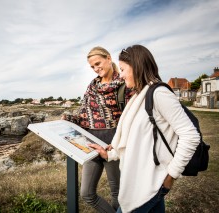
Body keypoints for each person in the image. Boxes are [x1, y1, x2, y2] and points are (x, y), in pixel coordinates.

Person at [88, 45, 200, 213]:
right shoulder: (140, 95)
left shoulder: (159, 94)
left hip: (150, 184)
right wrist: (109, 154)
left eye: (124, 69)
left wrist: (171, 176)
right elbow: (136, 140)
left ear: (137, 66)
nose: (122, 74)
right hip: (141, 181)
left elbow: (190, 136)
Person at [62, 46, 133, 212]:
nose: (95, 68)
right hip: (91, 143)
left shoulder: (124, 84)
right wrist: (69, 118)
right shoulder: (92, 85)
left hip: (112, 144)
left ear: (108, 58)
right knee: (86, 193)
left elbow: (131, 118)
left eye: (98, 63)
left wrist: (121, 144)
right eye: (92, 66)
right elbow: (84, 115)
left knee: (117, 193)